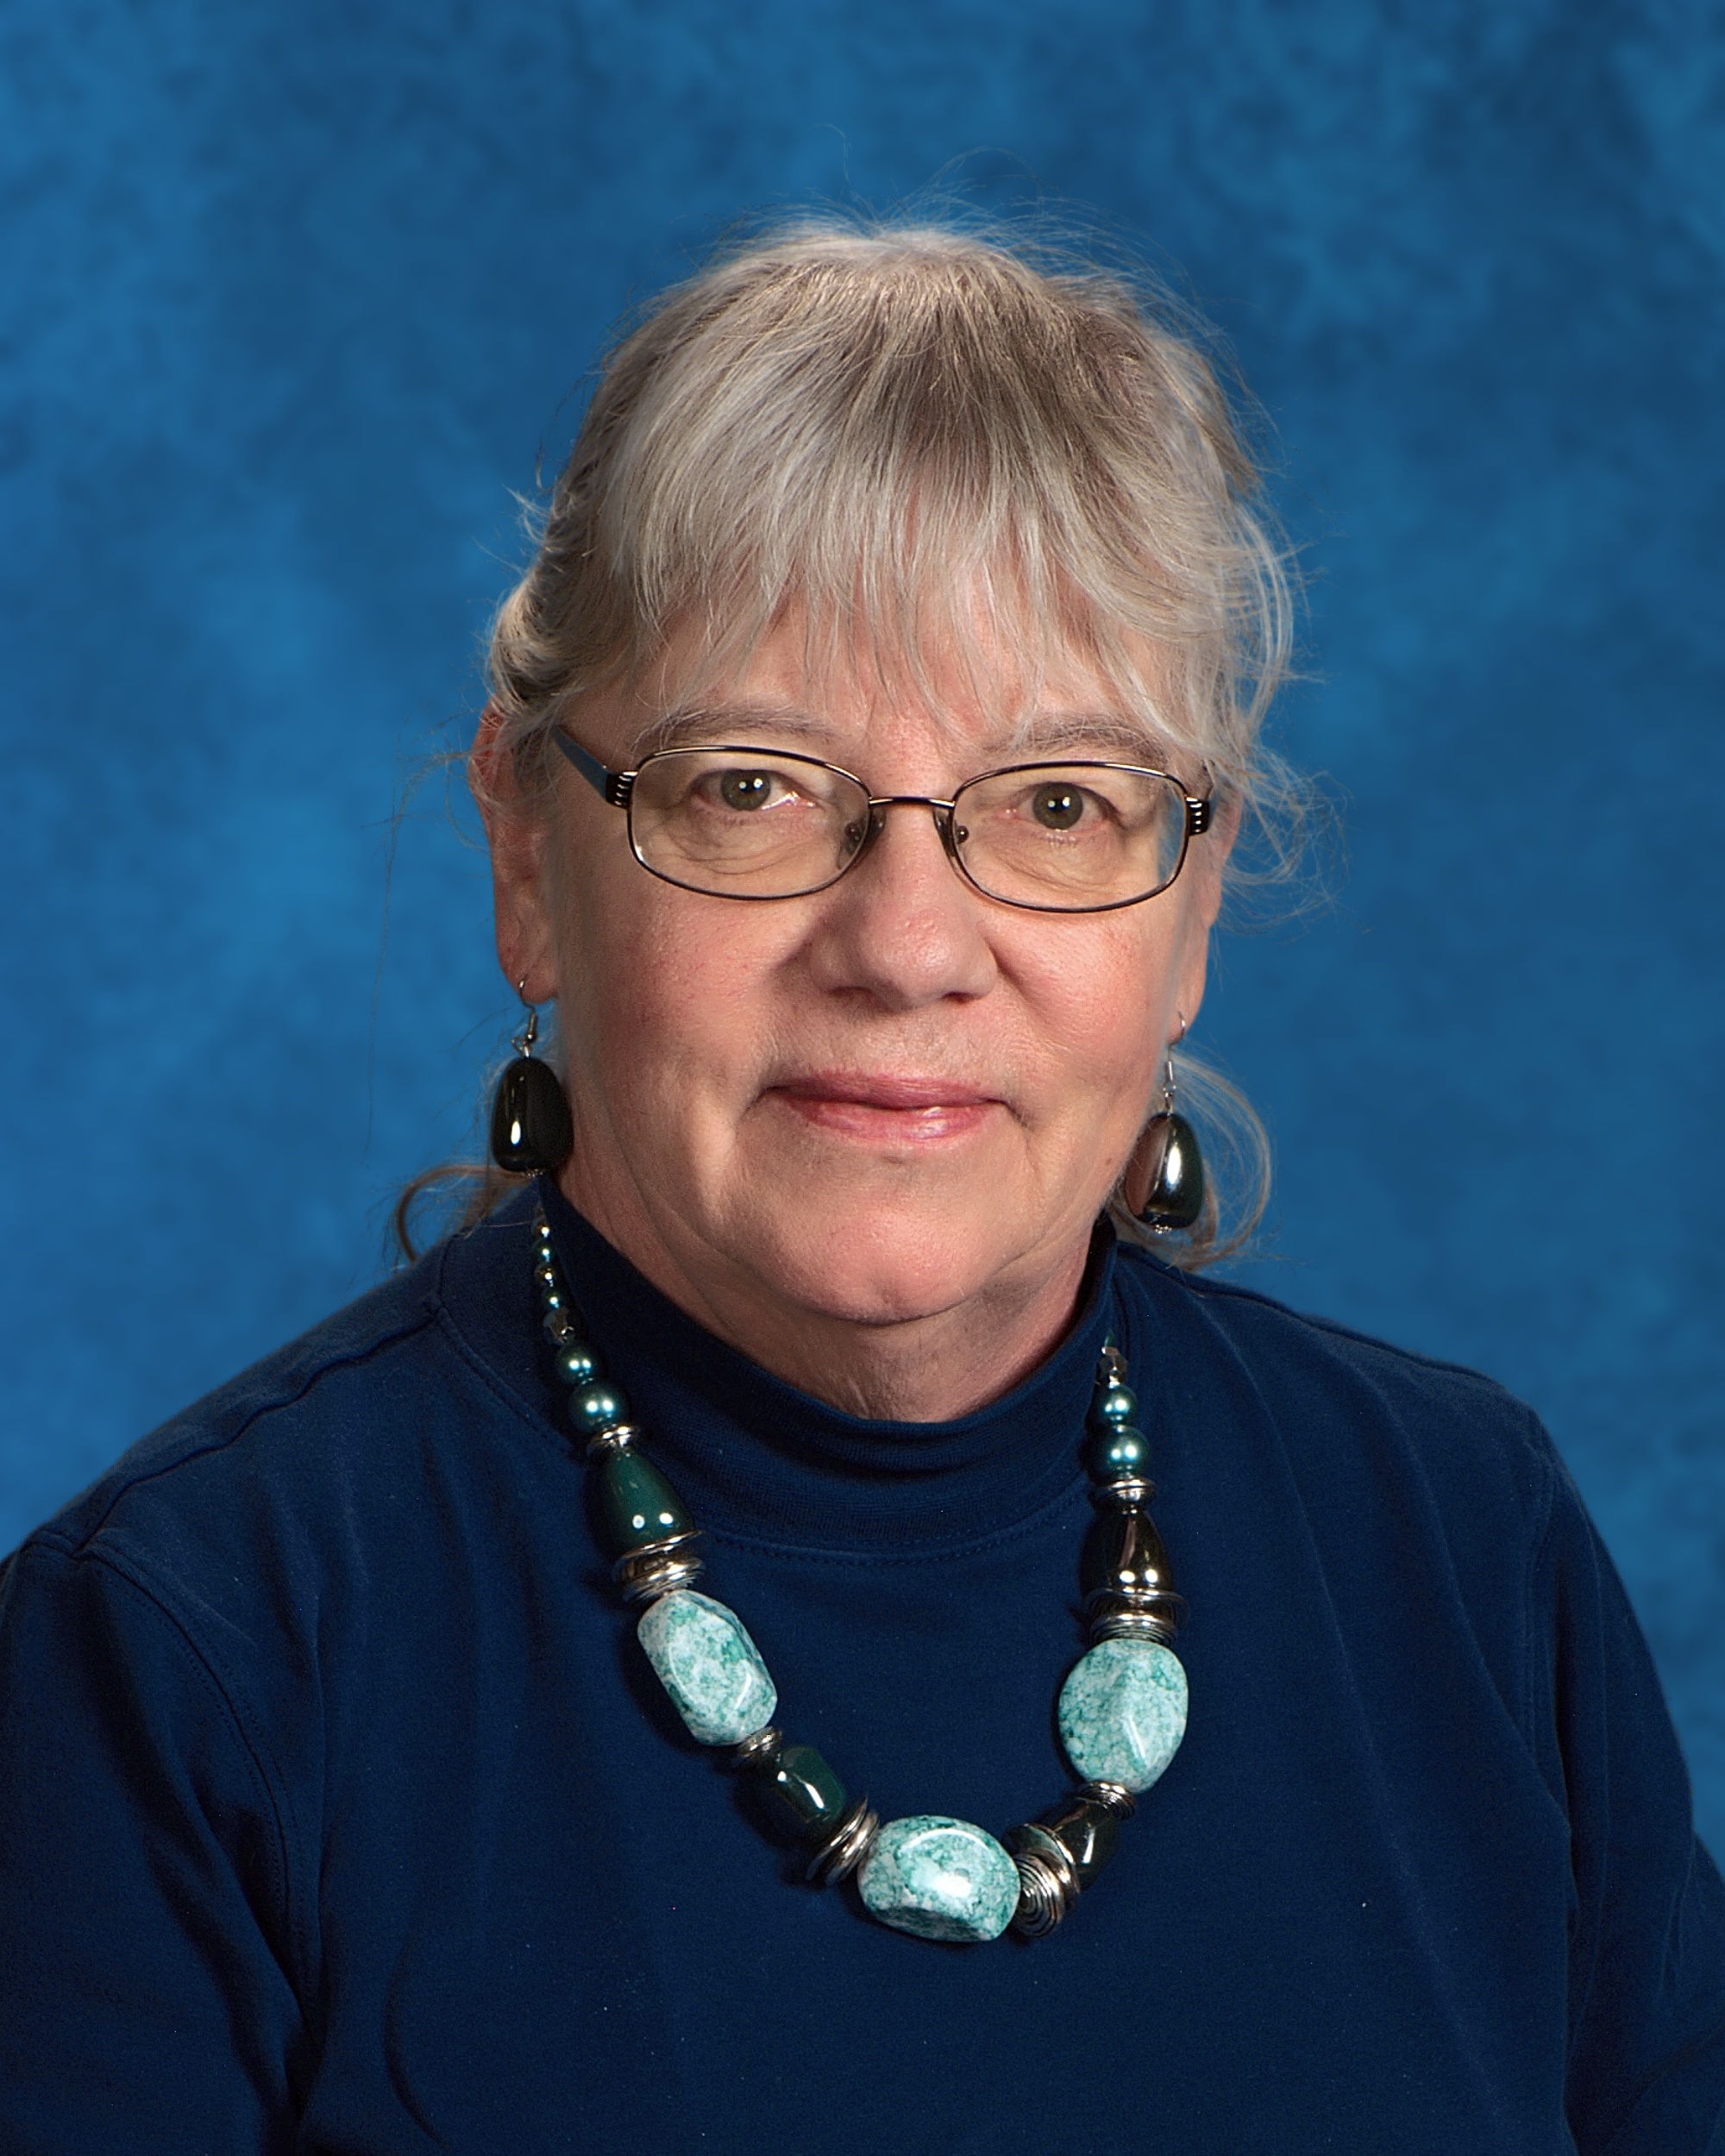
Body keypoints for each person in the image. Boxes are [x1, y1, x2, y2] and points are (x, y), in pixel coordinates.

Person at [1, 220, 1721, 2156]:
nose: (908, 943)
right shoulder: (183, 1652)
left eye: (1059, 802)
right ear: (526, 851)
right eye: (753, 784)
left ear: (1192, 908)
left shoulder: (1465, 1549)